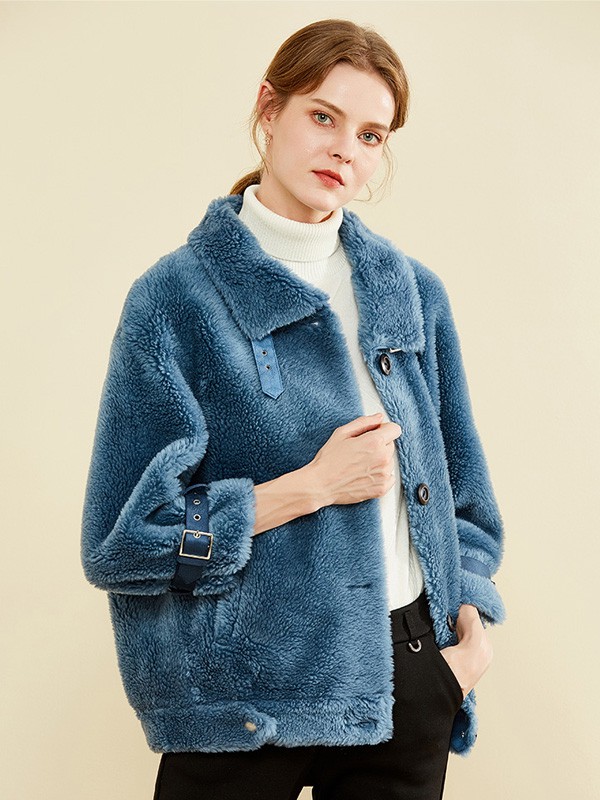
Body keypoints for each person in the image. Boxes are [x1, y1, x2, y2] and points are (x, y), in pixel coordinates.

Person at [80, 18, 506, 800]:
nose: (345, 150)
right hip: (241, 698)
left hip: (406, 681)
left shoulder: (410, 293)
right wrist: (310, 486)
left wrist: (462, 642)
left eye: (371, 135)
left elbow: (464, 497)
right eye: (323, 116)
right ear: (269, 109)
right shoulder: (174, 301)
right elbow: (121, 543)